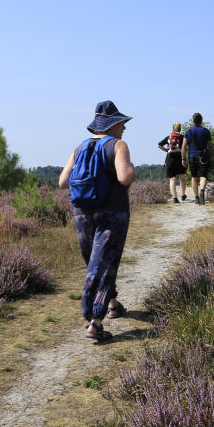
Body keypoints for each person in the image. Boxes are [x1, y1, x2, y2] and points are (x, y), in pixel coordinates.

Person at [58, 100, 136, 342]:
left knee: (95, 261)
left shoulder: (80, 147)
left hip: (82, 212)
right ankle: (95, 321)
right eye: (121, 123)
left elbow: (62, 182)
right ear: (112, 124)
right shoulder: (118, 145)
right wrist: (132, 170)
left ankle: (112, 303)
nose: (124, 127)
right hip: (112, 212)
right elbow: (124, 178)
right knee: (106, 263)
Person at [182, 112, 213, 205]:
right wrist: (210, 155)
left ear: (193, 120)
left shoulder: (188, 131)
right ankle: (202, 190)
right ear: (201, 120)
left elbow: (184, 146)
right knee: (203, 176)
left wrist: (183, 158)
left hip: (192, 156)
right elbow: (211, 147)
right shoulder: (206, 131)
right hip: (203, 156)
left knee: (194, 177)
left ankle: (196, 197)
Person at [157, 122, 188, 203]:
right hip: (180, 157)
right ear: (180, 129)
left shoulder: (169, 137)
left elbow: (159, 145)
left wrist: (167, 151)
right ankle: (183, 195)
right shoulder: (182, 137)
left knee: (172, 179)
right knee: (182, 177)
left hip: (170, 158)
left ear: (173, 128)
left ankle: (174, 198)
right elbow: (186, 147)